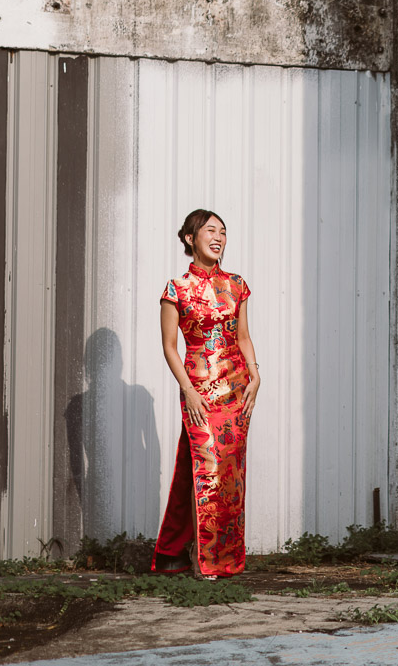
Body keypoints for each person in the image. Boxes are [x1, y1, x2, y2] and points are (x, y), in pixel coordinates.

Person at [151, 209, 260, 578]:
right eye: (210, 230)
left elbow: (242, 337)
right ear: (189, 239)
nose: (218, 237)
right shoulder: (176, 289)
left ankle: (176, 553)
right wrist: (188, 391)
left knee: (230, 473)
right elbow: (169, 346)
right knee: (208, 468)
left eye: (223, 232)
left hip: (237, 389)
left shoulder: (237, 284)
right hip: (197, 390)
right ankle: (208, 560)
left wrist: (256, 377)